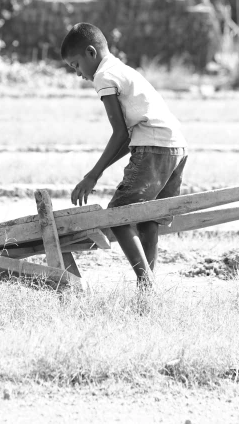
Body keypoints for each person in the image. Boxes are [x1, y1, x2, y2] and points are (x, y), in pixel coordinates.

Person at [61, 23, 188, 287]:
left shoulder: (104, 77)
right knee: (147, 217)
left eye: (75, 65)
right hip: (175, 146)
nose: (78, 74)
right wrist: (96, 173)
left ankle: (146, 284)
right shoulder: (122, 70)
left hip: (154, 147)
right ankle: (148, 287)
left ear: (91, 53)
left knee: (118, 217)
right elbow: (128, 137)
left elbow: (119, 134)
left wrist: (92, 176)